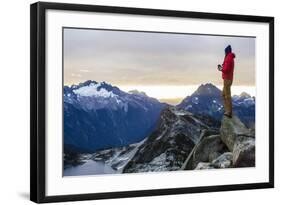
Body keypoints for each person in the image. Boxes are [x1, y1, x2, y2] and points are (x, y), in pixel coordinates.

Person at [217, 45, 236, 118]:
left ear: (226, 51)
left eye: (225, 51)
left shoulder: (228, 58)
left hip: (227, 79)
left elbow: (226, 70)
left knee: (227, 96)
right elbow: (227, 67)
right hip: (228, 79)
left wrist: (221, 69)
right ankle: (227, 110)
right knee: (224, 95)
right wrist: (222, 67)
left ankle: (229, 112)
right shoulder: (230, 58)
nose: (224, 53)